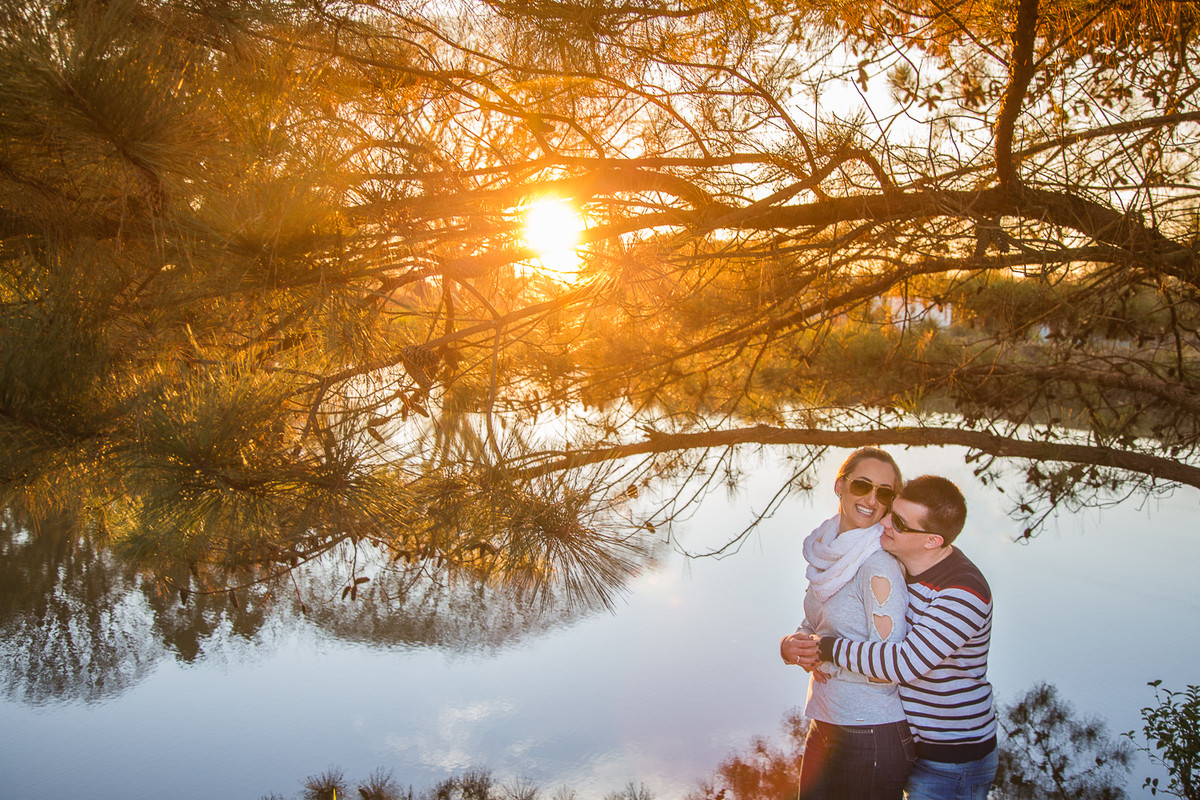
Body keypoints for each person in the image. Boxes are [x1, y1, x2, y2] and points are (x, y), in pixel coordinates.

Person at [788, 475, 998, 800]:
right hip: (908, 744)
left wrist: (825, 648)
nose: (884, 522)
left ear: (932, 540)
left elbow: (903, 663)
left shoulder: (963, 591)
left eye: (899, 522)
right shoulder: (899, 564)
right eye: (891, 512)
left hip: (953, 759)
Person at [779, 447, 914, 800]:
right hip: (825, 721)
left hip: (870, 733)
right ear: (840, 485)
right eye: (862, 485)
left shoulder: (877, 566)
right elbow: (814, 622)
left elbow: (888, 666)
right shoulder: (827, 550)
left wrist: (825, 657)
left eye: (884, 493)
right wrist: (792, 646)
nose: (871, 498)